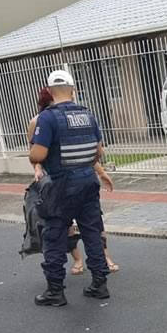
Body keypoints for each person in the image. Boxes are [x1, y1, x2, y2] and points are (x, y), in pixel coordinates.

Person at [29, 70, 111, 307]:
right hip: (88, 180)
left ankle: (55, 291)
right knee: (92, 232)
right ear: (73, 89)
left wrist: (33, 154)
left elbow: (39, 153)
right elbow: (99, 151)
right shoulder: (88, 115)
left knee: (54, 235)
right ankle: (99, 284)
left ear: (50, 91)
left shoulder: (47, 118)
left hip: (61, 185)